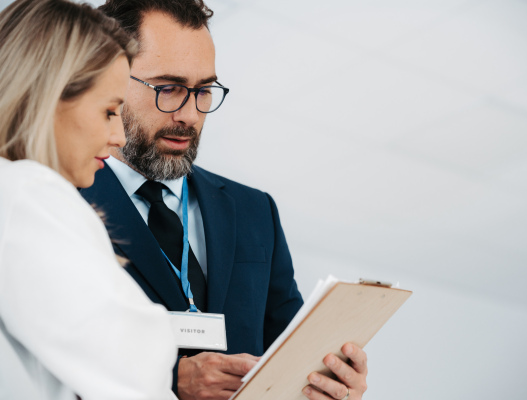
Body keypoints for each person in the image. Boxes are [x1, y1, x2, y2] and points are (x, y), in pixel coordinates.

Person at [80, 1, 369, 400]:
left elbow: (285, 354)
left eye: (203, 90)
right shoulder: (58, 200)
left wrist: (326, 382)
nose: (190, 115)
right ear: (108, 78)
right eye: (169, 88)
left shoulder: (255, 211)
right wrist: (168, 380)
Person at [0, 0, 178, 398]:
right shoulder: (26, 191)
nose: (119, 138)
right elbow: (132, 366)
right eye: (110, 112)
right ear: (48, 96)